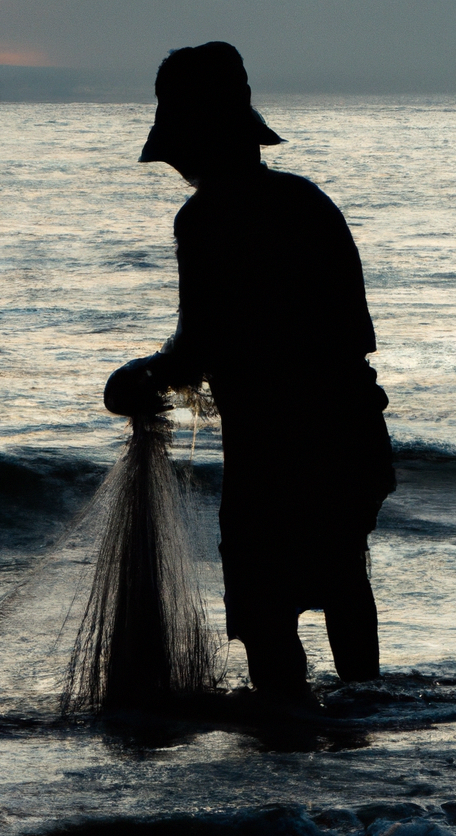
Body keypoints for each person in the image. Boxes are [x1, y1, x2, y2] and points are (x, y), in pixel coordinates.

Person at [105, 42, 394, 705]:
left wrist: (137, 377)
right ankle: (367, 758)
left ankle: (287, 767)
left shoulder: (206, 219)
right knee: (344, 590)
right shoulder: (309, 203)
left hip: (277, 456)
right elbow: (352, 337)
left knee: (269, 622)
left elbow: (195, 351)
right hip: (351, 439)